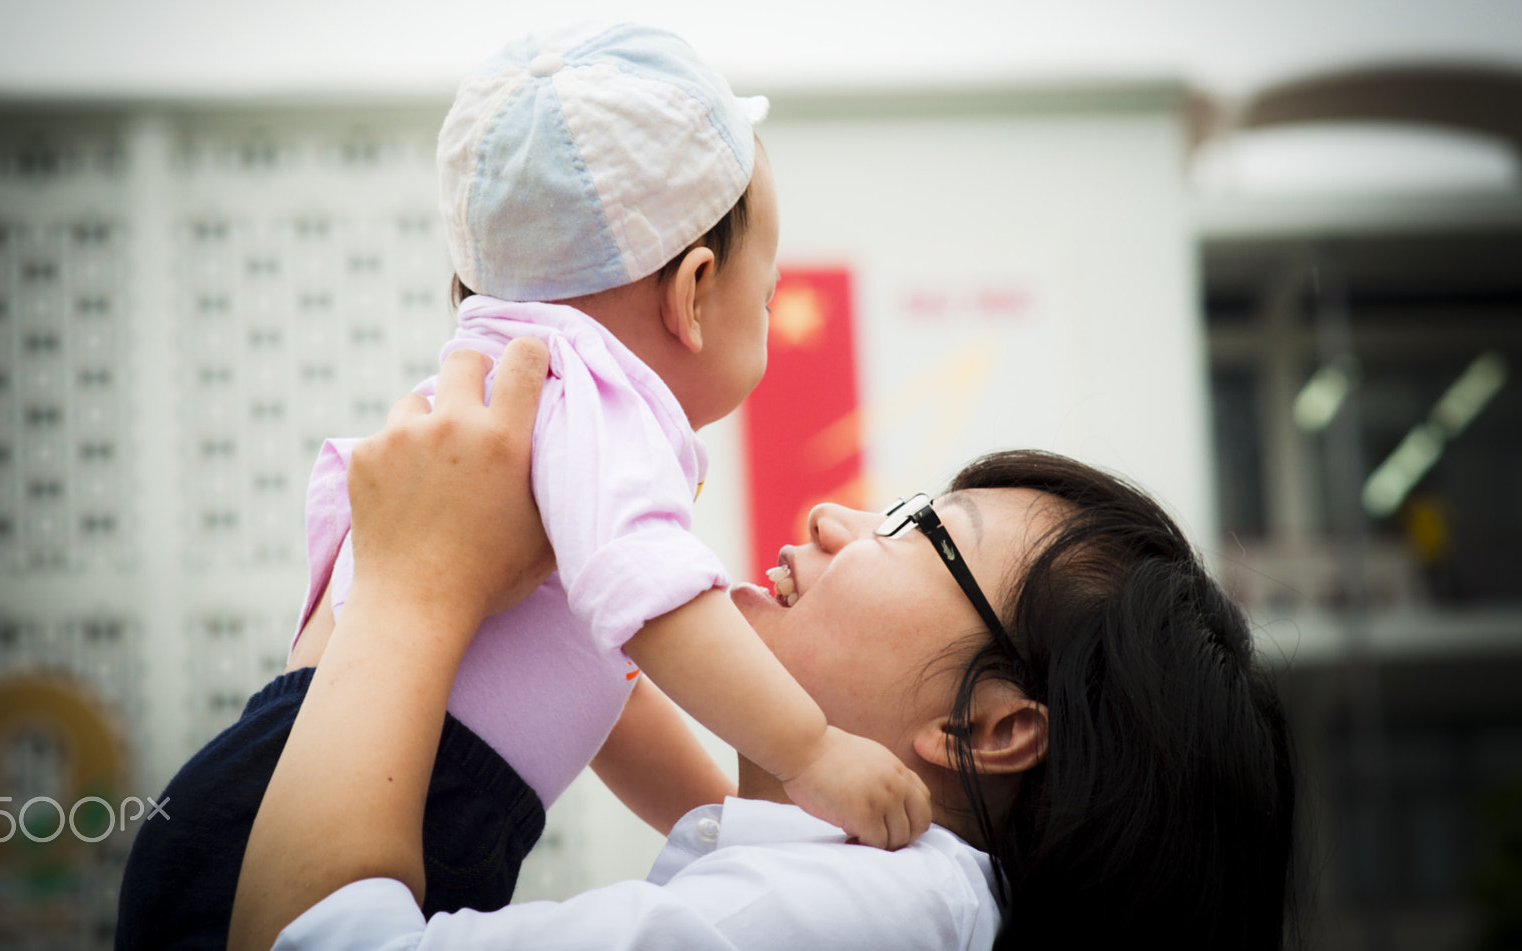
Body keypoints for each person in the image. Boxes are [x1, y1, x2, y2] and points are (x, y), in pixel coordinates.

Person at [227, 340, 1296, 950]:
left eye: (921, 529)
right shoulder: (887, 900)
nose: (837, 516)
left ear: (992, 726)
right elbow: (705, 789)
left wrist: (411, 586)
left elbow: (309, 942)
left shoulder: (841, 921)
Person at [297, 20, 926, 868]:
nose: (768, 315)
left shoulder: (497, 395)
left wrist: (728, 827)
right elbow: (654, 596)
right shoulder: (590, 391)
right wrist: (813, 752)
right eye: (766, 295)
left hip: (286, 784)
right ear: (695, 291)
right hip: (380, 811)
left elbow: (613, 693)